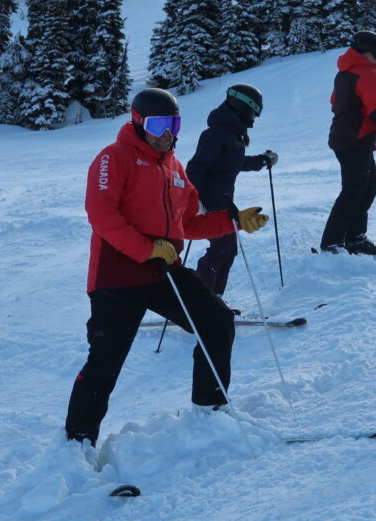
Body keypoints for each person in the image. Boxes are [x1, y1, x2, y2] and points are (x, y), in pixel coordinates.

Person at [65, 88, 270, 446]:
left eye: (173, 124)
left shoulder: (174, 169)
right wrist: (146, 249)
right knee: (106, 362)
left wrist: (234, 221)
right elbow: (101, 215)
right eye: (159, 124)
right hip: (118, 274)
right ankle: (76, 443)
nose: (166, 133)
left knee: (217, 321)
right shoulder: (114, 158)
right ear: (139, 121)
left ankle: (209, 410)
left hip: (163, 270)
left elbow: (188, 223)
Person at [186, 83, 278, 301]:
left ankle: (214, 301)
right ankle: (199, 303)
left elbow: (234, 162)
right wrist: (195, 199)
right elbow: (196, 166)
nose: (254, 118)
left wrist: (262, 161)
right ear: (242, 107)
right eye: (254, 112)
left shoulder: (232, 133)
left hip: (224, 201)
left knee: (228, 252)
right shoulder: (216, 134)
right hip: (210, 202)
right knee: (220, 250)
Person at [319, 30, 376, 255]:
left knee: (369, 183)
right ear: (372, 53)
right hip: (354, 141)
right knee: (354, 190)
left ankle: (354, 237)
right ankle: (333, 242)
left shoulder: (344, 73)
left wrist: (364, 127)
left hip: (349, 139)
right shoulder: (366, 73)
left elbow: (335, 103)